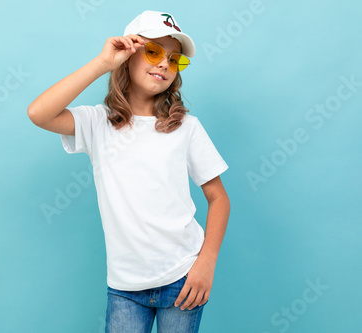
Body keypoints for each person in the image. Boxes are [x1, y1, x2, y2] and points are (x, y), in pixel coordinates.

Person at [28, 9, 230, 333]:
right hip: (125, 288)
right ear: (129, 52)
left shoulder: (187, 128)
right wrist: (102, 63)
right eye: (153, 51)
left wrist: (206, 263)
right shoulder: (98, 124)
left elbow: (219, 198)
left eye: (175, 60)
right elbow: (39, 113)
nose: (165, 63)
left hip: (183, 278)